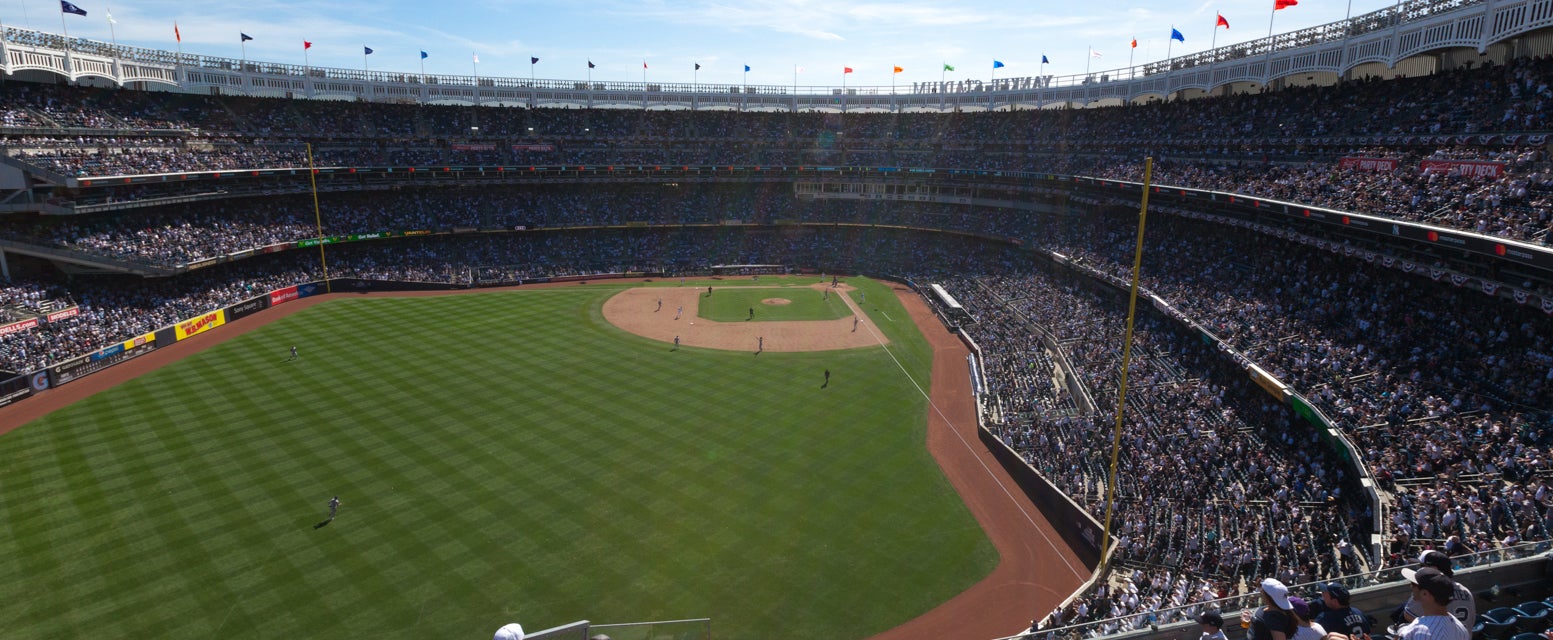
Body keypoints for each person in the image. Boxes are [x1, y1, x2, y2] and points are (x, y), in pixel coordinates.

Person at [1399, 550, 1475, 626]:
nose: (1420, 568)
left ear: (1433, 569)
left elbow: (1408, 615)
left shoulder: (1429, 591)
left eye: (1422, 566)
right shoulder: (1465, 591)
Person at [1396, 568, 1470, 640]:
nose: (1411, 586)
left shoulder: (1420, 632)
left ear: (1425, 594)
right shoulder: (1460, 628)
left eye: (1413, 584)